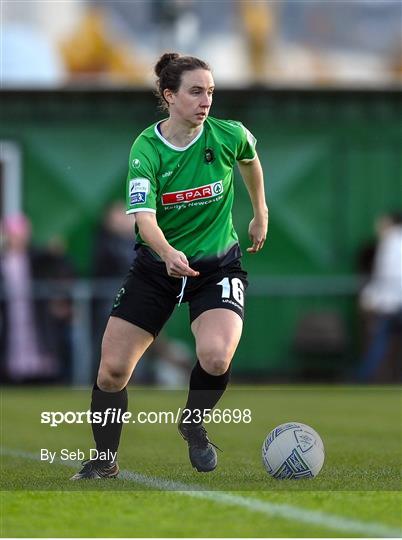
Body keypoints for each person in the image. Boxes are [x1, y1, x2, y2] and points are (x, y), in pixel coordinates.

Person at [71, 52, 268, 480]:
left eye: (210, 92)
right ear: (169, 95)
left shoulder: (228, 134)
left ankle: (193, 421)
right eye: (196, 92)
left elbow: (250, 160)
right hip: (156, 268)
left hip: (217, 267)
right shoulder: (146, 148)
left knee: (216, 357)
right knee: (112, 372)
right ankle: (105, 462)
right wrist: (166, 253)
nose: (206, 101)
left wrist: (260, 212)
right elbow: (144, 219)